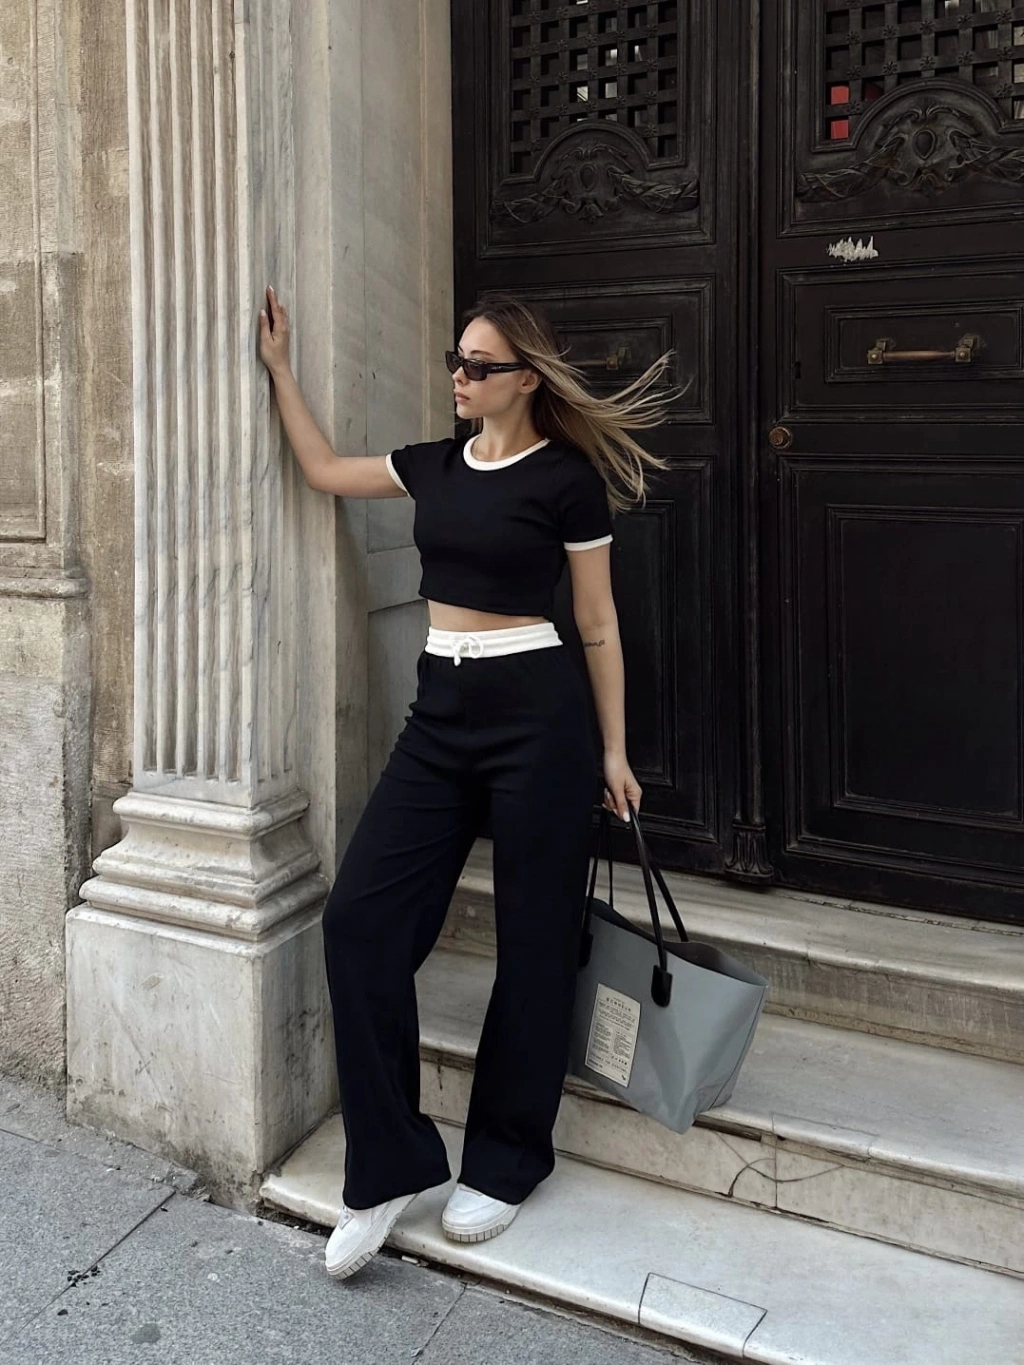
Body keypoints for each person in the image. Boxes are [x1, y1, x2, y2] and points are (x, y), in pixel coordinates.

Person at [257, 287, 675, 1280]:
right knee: (359, 921)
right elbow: (322, 470)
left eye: (480, 365)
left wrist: (614, 752)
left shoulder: (565, 478)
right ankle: (387, 1166)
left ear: (526, 380)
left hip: (540, 716)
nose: (459, 375)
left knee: (534, 942)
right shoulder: (433, 465)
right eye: (457, 358)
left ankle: (507, 1159)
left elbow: (597, 621)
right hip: (440, 711)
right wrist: (278, 369)